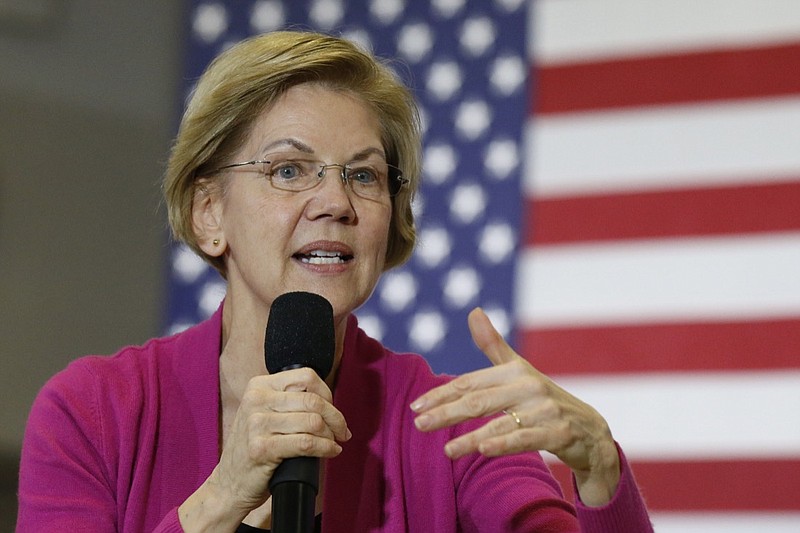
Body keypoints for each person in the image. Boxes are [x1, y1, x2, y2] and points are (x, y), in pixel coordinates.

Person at [17, 30, 653, 532]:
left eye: (364, 175)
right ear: (208, 212)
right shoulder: (92, 413)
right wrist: (223, 494)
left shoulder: (457, 430)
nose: (335, 202)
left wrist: (598, 468)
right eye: (290, 171)